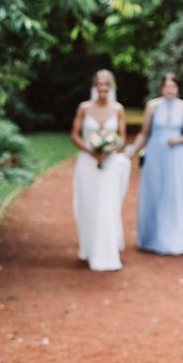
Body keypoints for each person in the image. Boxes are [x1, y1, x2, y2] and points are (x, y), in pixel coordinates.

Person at [130, 73, 183, 255]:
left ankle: (175, 237)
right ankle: (152, 237)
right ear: (162, 88)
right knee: (155, 193)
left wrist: (177, 141)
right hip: (155, 155)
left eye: (173, 87)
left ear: (178, 88)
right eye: (166, 86)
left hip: (175, 156)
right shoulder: (152, 106)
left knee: (175, 193)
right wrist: (131, 151)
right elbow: (144, 133)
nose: (169, 90)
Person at [70, 69, 131, 271]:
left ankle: (106, 254)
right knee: (88, 205)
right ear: (95, 87)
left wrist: (109, 148)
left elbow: (122, 137)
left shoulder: (118, 109)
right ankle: (88, 248)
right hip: (88, 163)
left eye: (106, 84)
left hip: (110, 163)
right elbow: (75, 135)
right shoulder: (84, 108)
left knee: (108, 205)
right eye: (99, 84)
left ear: (111, 87)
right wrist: (90, 149)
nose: (103, 88)